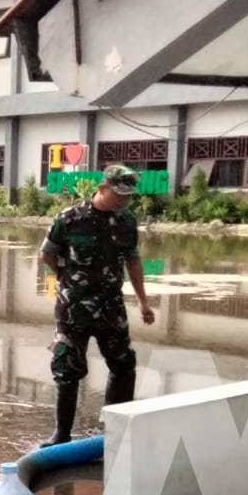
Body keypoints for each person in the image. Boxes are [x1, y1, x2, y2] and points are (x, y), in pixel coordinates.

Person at [40, 163, 155, 446]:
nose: (124, 201)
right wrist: (68, 281)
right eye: (119, 195)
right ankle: (61, 433)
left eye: (128, 196)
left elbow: (133, 261)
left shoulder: (126, 222)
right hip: (73, 307)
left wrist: (143, 302)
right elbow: (48, 254)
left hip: (111, 305)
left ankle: (114, 432)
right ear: (102, 188)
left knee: (123, 364)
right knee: (67, 366)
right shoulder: (69, 218)